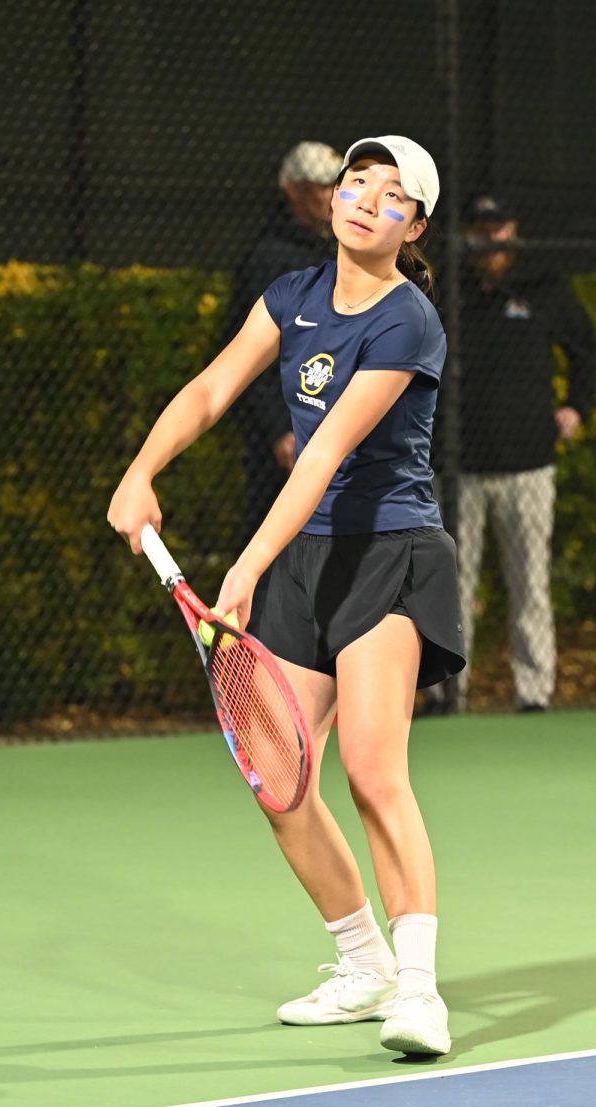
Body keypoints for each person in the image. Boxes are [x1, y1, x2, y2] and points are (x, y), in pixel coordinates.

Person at [108, 135, 464, 1058]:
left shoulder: (408, 321)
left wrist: (248, 563)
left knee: (376, 771)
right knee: (280, 781)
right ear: (333, 196)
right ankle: (363, 964)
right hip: (305, 557)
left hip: (388, 555)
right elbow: (213, 388)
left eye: (392, 197)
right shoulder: (292, 298)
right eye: (356, 184)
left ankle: (419, 993)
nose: (365, 201)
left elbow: (328, 451)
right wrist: (142, 471)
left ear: (413, 226)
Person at [442, 194, 596, 713]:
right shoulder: (448, 291)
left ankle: (534, 695)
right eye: (481, 228)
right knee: (451, 587)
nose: (491, 238)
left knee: (530, 583)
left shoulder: (543, 286)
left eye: (499, 227)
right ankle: (447, 692)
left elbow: (588, 350)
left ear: (514, 230)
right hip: (459, 469)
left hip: (529, 465)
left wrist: (577, 406)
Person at [226, 141, 343, 546]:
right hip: (284, 441)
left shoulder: (341, 251)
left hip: (335, 426)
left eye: (336, 186)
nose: (331, 198)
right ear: (293, 190)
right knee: (272, 547)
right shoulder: (268, 259)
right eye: (320, 187)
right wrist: (280, 429)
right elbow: (247, 356)